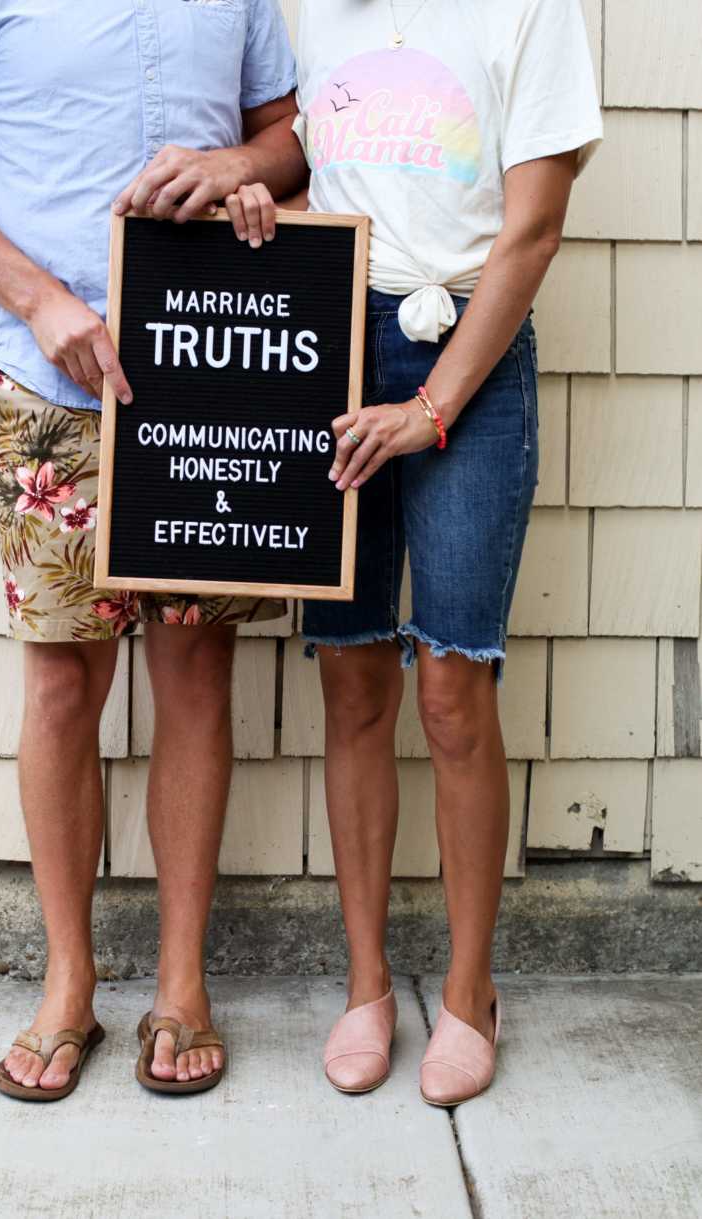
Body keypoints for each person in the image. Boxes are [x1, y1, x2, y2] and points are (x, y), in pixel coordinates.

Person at [0, 0, 305, 1099]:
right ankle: (70, 982)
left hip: (208, 365)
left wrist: (237, 165)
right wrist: (39, 296)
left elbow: (293, 137)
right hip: (49, 375)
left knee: (196, 672)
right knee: (64, 683)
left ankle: (181, 983)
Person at [265, 0, 603, 1102]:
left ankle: (468, 990)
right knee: (354, 675)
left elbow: (533, 228)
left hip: (472, 348)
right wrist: (264, 204)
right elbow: (319, 175)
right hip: (336, 342)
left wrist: (436, 404)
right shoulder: (314, 16)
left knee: (455, 685)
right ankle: (365, 982)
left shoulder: (529, 13)